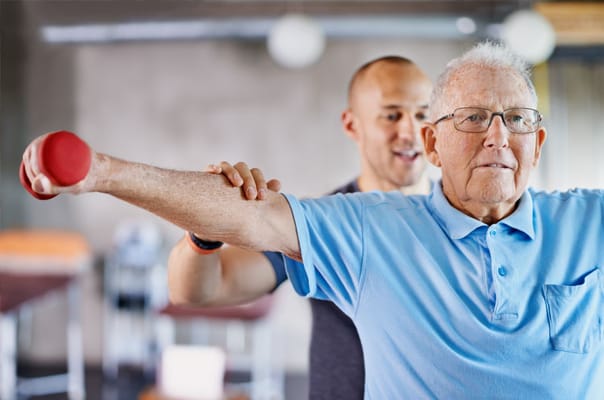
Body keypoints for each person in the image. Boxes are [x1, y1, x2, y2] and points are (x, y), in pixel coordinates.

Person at [21, 41, 604, 399]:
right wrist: (98, 171)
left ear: (538, 138)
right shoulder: (360, 225)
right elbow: (230, 238)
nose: (498, 136)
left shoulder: (585, 220)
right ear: (435, 141)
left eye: (516, 119)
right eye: (475, 117)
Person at [166, 55, 434, 399]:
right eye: (392, 115)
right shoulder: (319, 223)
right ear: (352, 125)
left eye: (423, 114)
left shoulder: (459, 217)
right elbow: (198, 290)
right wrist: (205, 230)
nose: (410, 131)